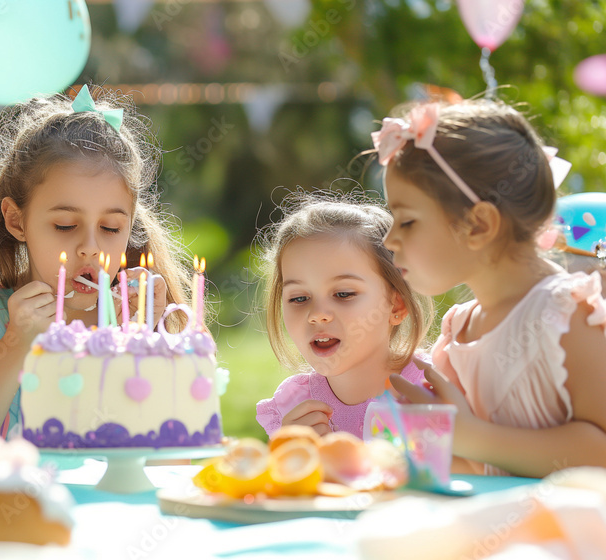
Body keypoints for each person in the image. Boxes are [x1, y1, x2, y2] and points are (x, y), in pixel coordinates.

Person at [0, 86, 193, 443]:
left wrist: (143, 344)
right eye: (65, 226)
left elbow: (177, 446)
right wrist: (15, 343)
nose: (90, 248)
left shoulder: (140, 324)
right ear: (17, 221)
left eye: (110, 228)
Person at [377, 99, 606, 477]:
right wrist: (429, 442)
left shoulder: (567, 314)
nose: (389, 239)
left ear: (479, 224)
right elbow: (483, 469)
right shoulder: (459, 330)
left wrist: (471, 437)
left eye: (408, 221)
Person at [256, 196, 432, 438]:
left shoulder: (430, 389)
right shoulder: (295, 407)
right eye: (298, 298)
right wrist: (293, 454)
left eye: (343, 294)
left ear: (396, 306)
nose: (317, 315)